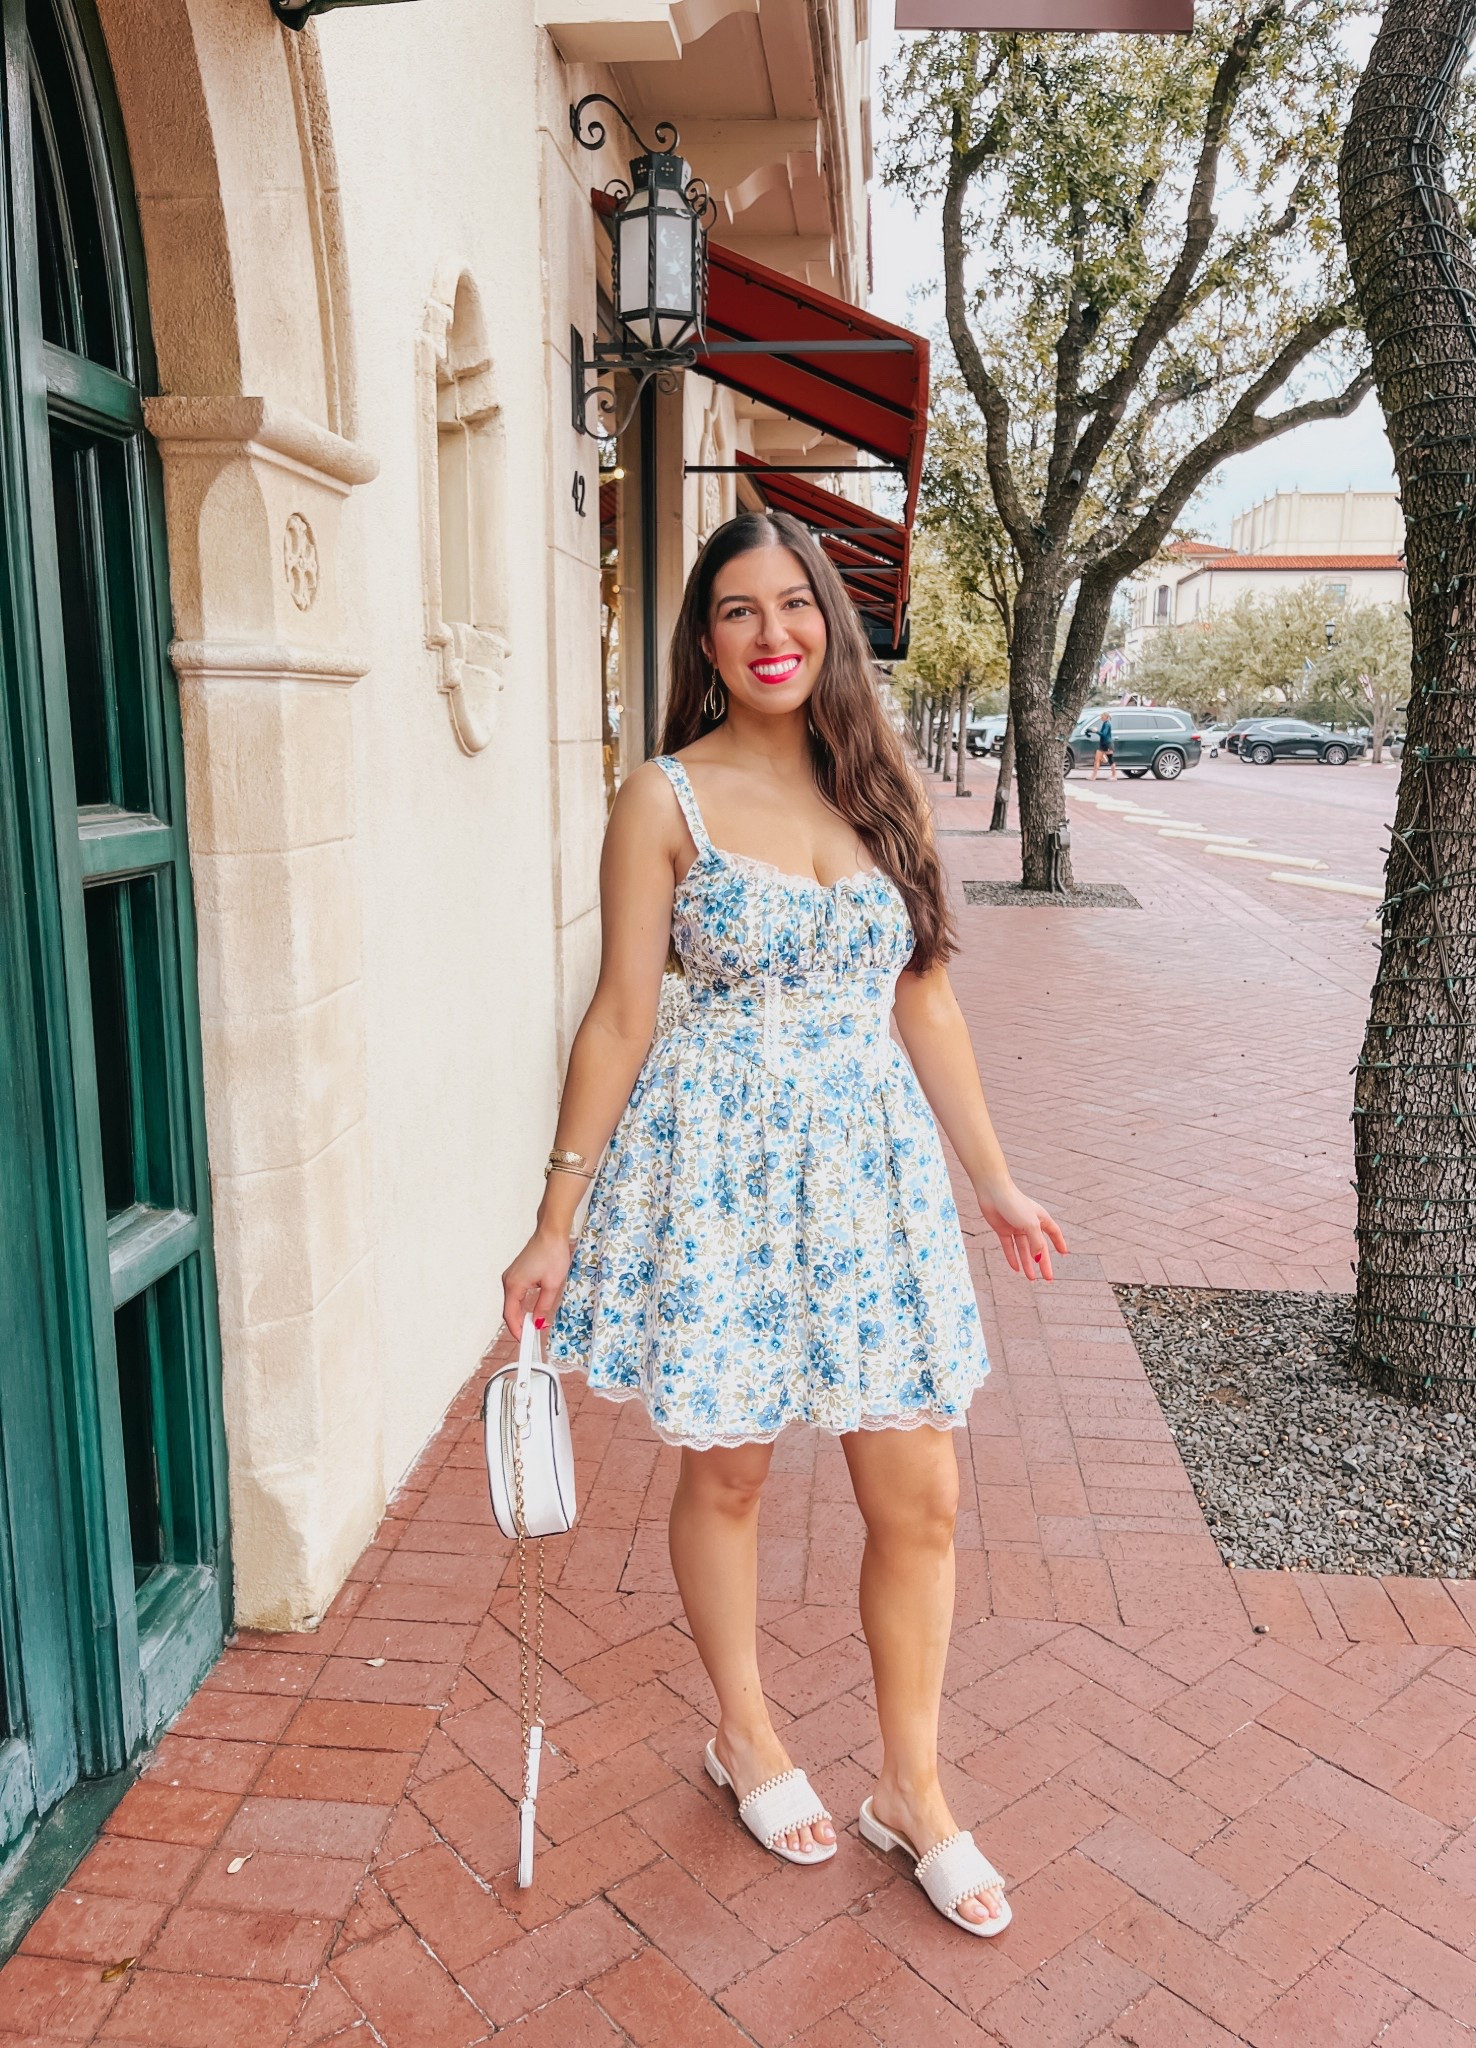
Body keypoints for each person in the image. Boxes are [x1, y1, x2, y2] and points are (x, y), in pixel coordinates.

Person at [501, 511, 1066, 1937]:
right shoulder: (664, 800)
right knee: (735, 1476)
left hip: (873, 1186)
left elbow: (922, 994)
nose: (772, 637)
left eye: (795, 608)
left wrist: (993, 1177)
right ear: (705, 641)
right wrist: (552, 1221)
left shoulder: (879, 792)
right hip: (724, 1183)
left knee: (919, 1494)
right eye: (740, 613)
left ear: (833, 625)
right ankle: (744, 1734)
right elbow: (623, 1014)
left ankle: (913, 1791)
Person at [1092, 710, 1116, 780]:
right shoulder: (1105, 723)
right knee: (1097, 759)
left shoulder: (1107, 724)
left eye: (1102, 717)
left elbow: (1104, 735)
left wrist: (1096, 731)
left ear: (1106, 717)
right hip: (1103, 744)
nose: (1101, 718)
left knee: (1110, 759)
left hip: (1107, 744)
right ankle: (1093, 776)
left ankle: (1114, 776)